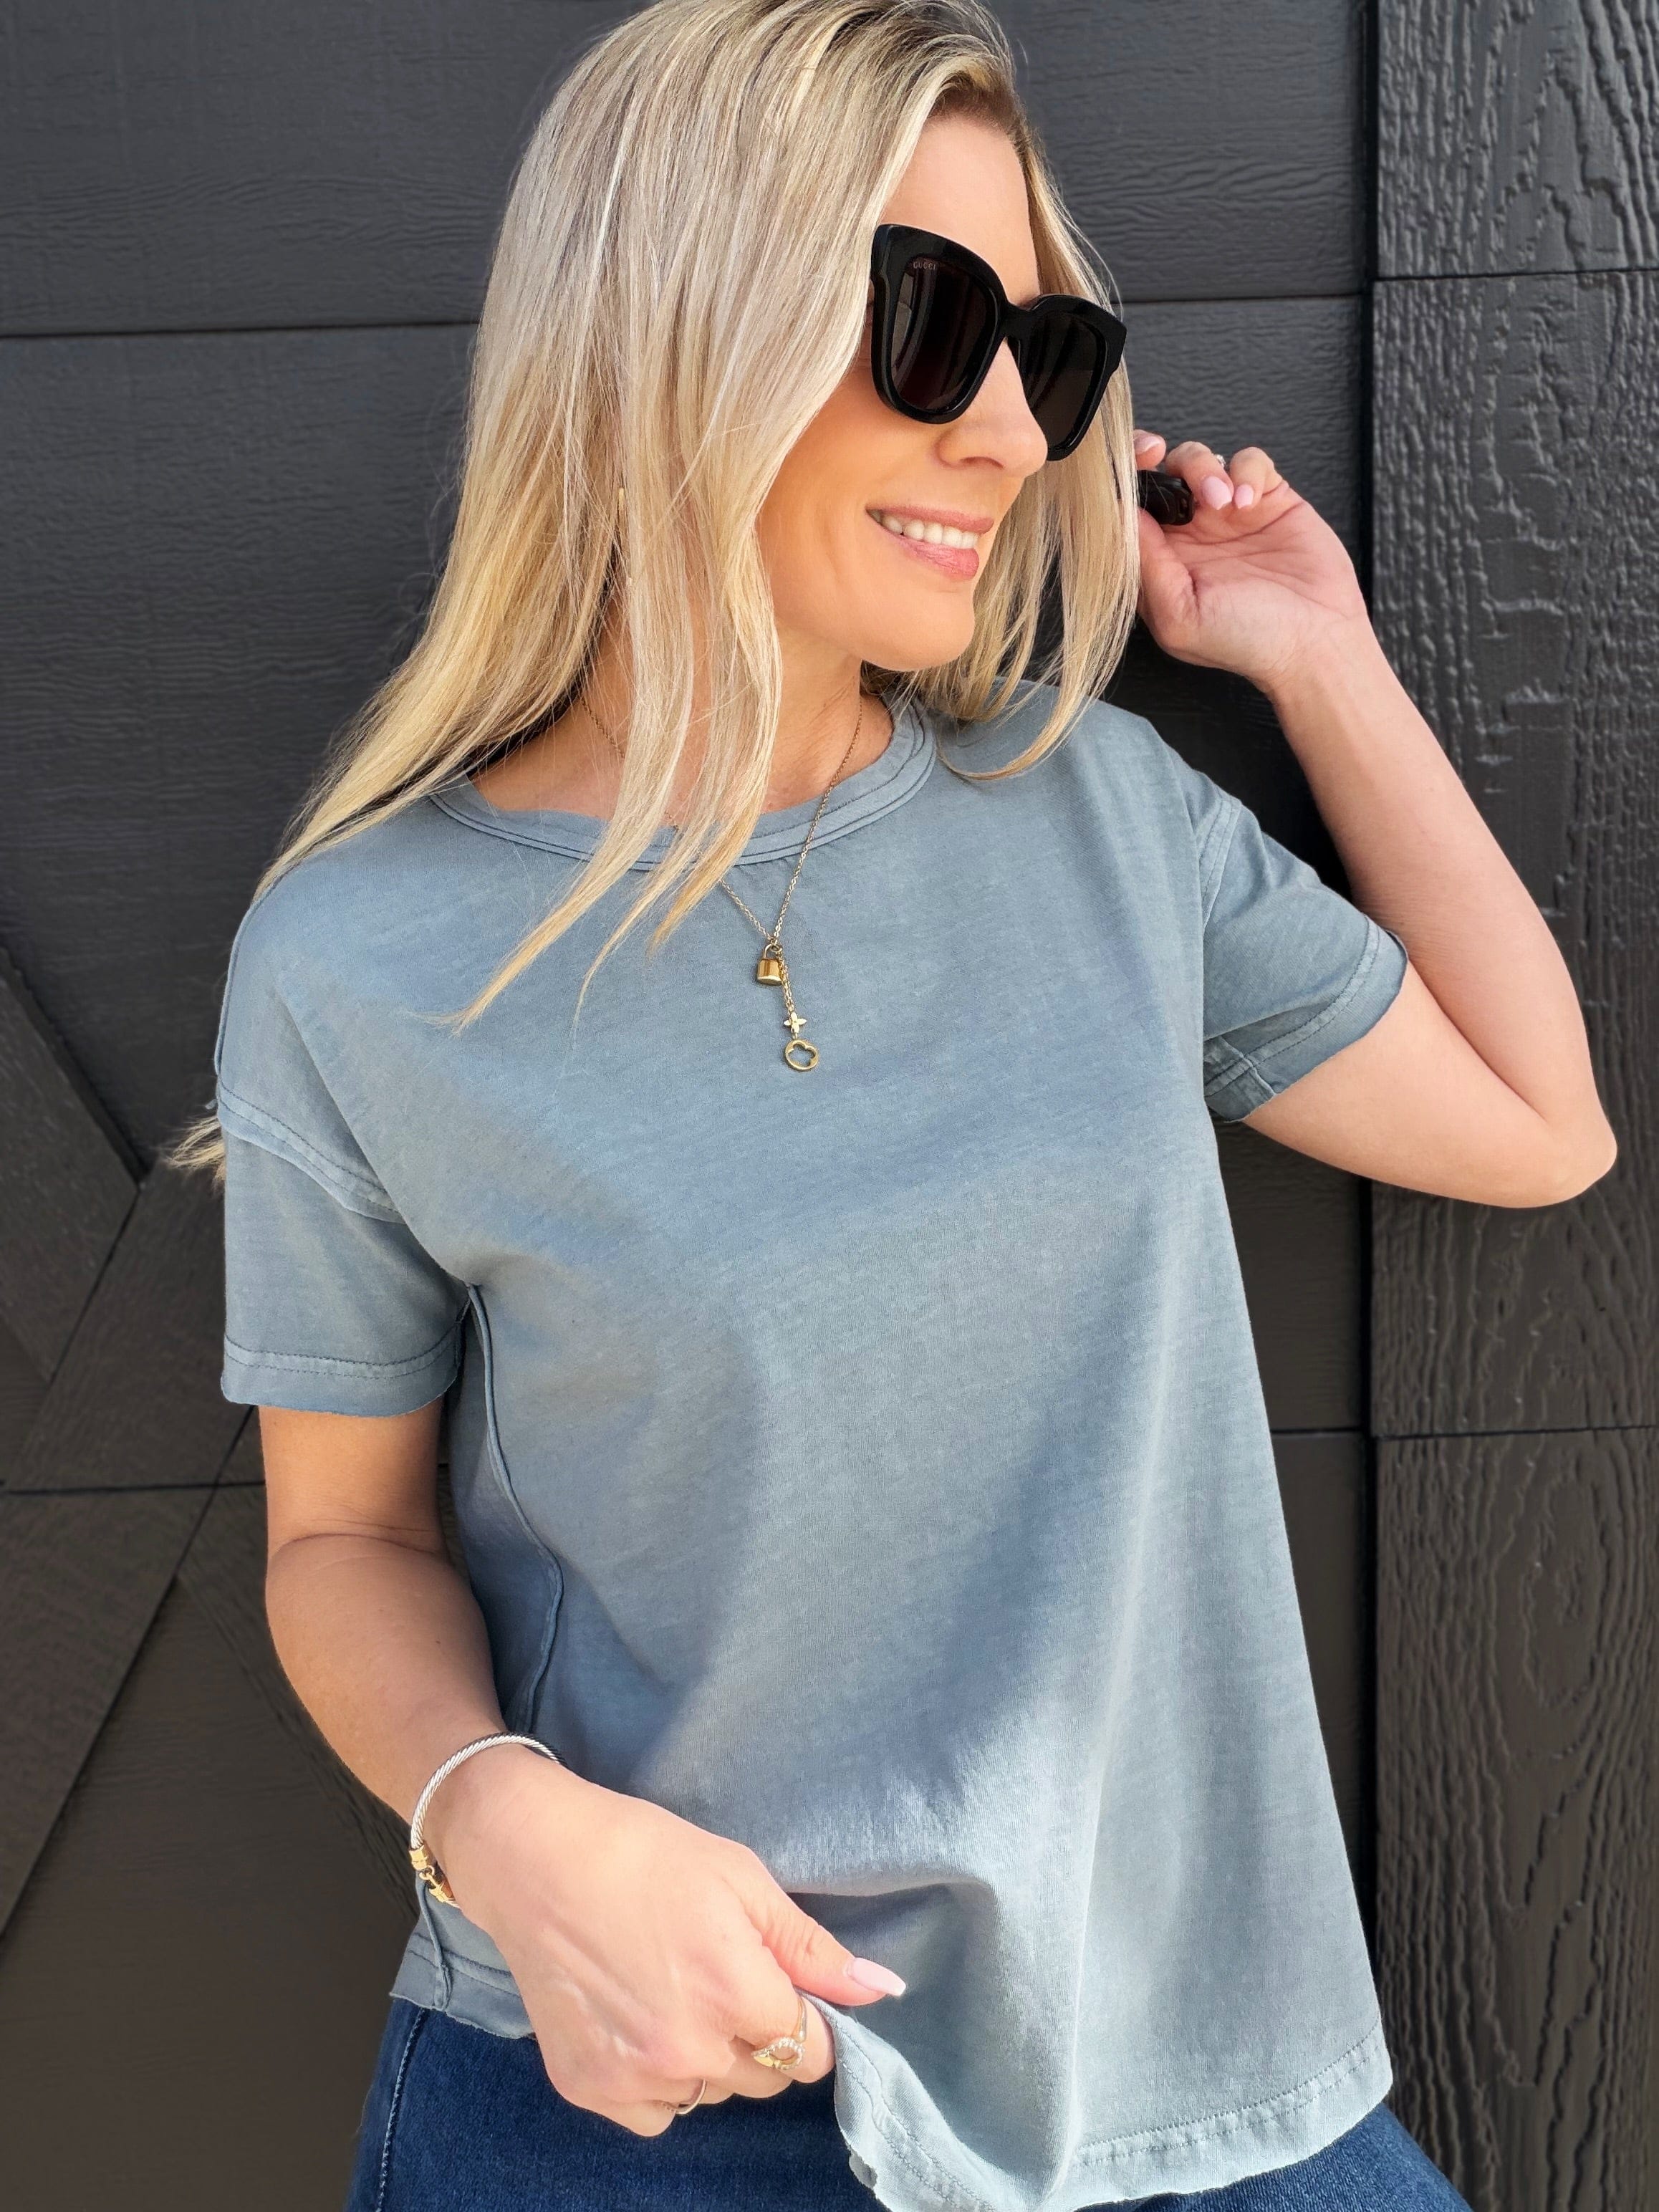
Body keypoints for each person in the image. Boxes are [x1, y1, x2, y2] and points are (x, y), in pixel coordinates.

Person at [167, 2, 1616, 2206]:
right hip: (647, 2089)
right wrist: (504, 1821)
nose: (1011, 431)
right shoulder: (359, 959)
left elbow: (1533, 1124)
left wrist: (1318, 657)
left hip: (1187, 2079)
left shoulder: (1098, 817)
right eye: (931, 324)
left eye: (1049, 352)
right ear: (676, 319)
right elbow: (340, 1540)